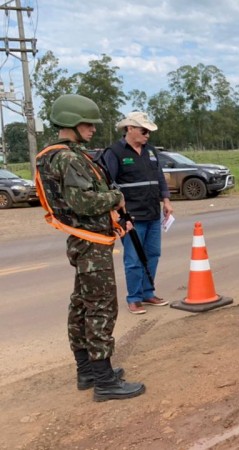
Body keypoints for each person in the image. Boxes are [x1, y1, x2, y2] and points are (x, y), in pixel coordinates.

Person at [35, 94, 145, 401]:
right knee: (101, 307)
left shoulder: (61, 154)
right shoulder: (69, 158)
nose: (93, 129)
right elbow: (83, 202)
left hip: (84, 239)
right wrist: (115, 198)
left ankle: (87, 371)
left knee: (82, 304)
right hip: (91, 242)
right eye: (88, 123)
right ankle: (104, 381)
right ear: (71, 121)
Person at [102, 112, 172, 315]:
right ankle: (134, 298)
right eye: (144, 130)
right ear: (130, 129)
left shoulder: (150, 151)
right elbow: (108, 185)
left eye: (149, 131)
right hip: (131, 217)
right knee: (133, 259)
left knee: (152, 254)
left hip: (153, 212)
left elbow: (159, 177)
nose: (147, 135)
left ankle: (147, 293)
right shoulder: (114, 152)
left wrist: (166, 200)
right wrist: (119, 215)